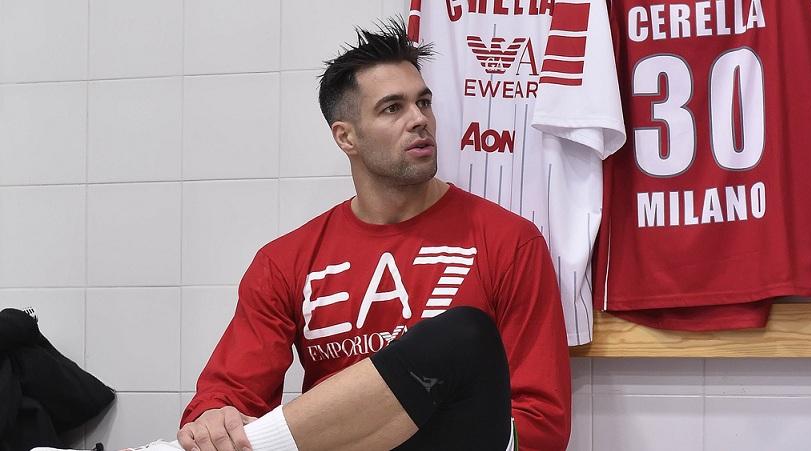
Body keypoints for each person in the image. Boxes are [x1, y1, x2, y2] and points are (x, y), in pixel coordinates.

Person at [43, 19, 568, 451]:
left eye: (424, 102)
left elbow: (541, 423)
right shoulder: (287, 260)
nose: (420, 120)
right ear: (346, 137)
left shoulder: (507, 241)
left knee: (462, 335)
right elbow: (227, 395)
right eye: (393, 108)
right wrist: (215, 417)